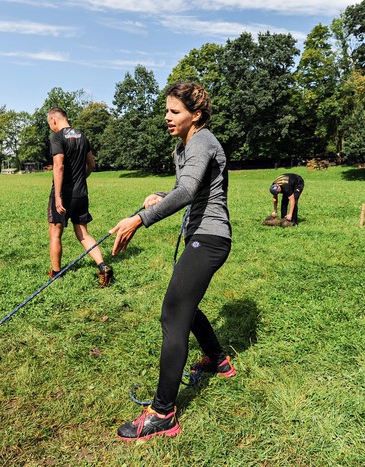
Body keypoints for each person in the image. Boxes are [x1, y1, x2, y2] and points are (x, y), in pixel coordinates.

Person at [109, 82, 234, 441]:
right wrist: (161, 195)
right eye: (166, 110)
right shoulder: (186, 146)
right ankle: (217, 360)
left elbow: (189, 192)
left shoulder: (203, 141)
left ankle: (163, 414)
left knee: (173, 314)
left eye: (174, 111)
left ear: (195, 115)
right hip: (203, 236)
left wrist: (139, 220)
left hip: (210, 238)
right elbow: (189, 189)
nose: (167, 117)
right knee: (185, 306)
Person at [46, 107, 113, 287]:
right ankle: (102, 265)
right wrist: (82, 179)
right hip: (81, 193)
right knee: (83, 232)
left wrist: (58, 197)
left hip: (64, 194)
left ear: (53, 120)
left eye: (49, 123)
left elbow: (58, 166)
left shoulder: (57, 137)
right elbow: (91, 164)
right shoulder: (82, 137)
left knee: (55, 232)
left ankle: (55, 272)